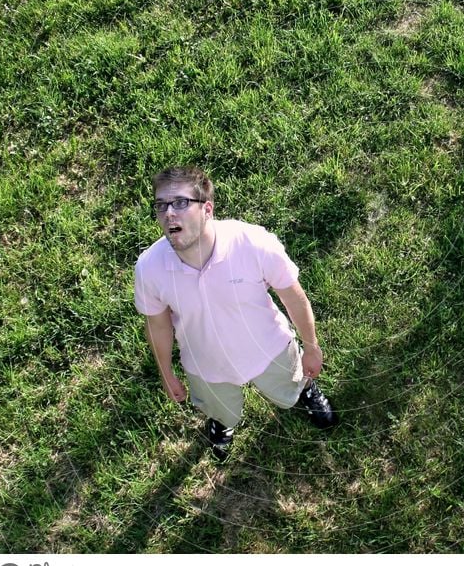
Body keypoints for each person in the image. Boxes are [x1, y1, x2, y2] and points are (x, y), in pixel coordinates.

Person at [134, 166, 338, 461]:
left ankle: (303, 390)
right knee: (221, 409)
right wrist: (166, 373)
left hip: (269, 350)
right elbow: (158, 324)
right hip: (206, 367)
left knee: (289, 386)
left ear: (207, 209)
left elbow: (292, 296)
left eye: (180, 203)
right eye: (161, 205)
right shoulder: (149, 267)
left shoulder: (252, 243)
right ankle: (222, 421)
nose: (168, 214)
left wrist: (311, 346)